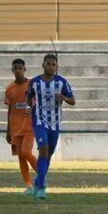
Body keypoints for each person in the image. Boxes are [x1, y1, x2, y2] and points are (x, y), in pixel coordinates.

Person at [27, 53, 75, 200]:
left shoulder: (62, 82)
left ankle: (37, 182)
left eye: (53, 65)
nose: (51, 67)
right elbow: (29, 97)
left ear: (57, 67)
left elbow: (73, 101)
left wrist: (64, 98)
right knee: (43, 150)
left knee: (47, 155)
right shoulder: (34, 82)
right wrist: (31, 107)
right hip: (39, 121)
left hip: (55, 122)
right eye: (48, 64)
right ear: (43, 65)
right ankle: (41, 188)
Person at [4, 58, 38, 195]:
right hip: (15, 128)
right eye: (15, 68)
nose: (18, 71)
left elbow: (37, 102)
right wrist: (8, 131)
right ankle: (29, 187)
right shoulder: (10, 88)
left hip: (30, 127)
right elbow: (10, 110)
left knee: (25, 152)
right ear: (12, 70)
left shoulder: (32, 85)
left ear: (24, 69)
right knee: (21, 157)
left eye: (20, 68)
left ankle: (42, 176)